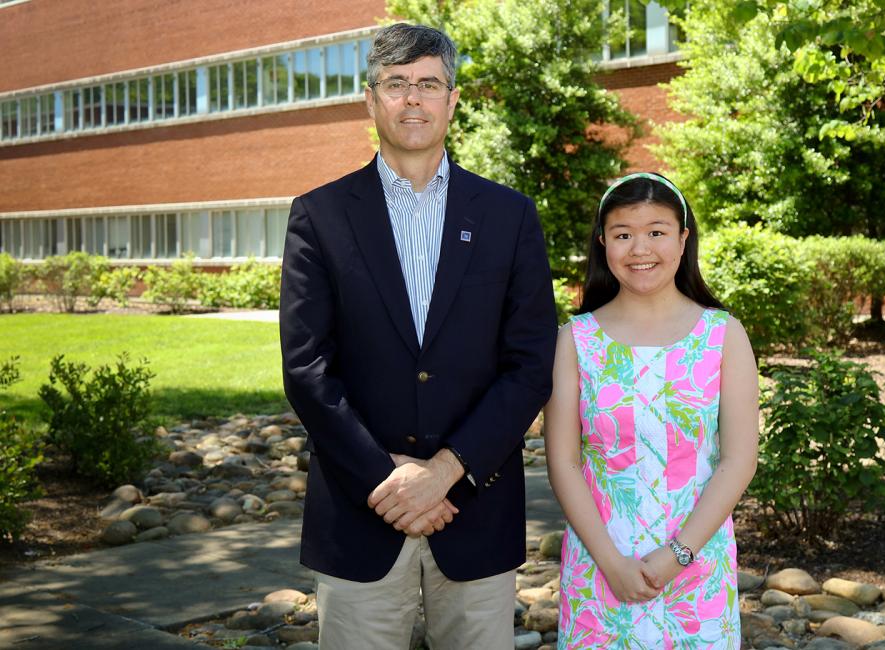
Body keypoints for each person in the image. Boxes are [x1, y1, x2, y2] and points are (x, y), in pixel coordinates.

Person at [279, 23, 557, 650]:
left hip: (475, 512)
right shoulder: (319, 215)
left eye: (429, 84)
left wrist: (445, 473)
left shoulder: (508, 216)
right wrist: (387, 477)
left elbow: (531, 362)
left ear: (453, 100)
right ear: (370, 100)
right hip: (360, 513)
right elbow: (306, 369)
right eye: (396, 83)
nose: (413, 99)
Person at [544, 172, 759, 648]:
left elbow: (739, 460)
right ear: (604, 244)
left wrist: (677, 554)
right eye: (623, 235)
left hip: (697, 564)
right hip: (600, 563)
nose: (640, 249)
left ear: (683, 239)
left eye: (657, 232)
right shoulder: (574, 340)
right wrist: (612, 563)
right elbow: (563, 462)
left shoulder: (723, 336)